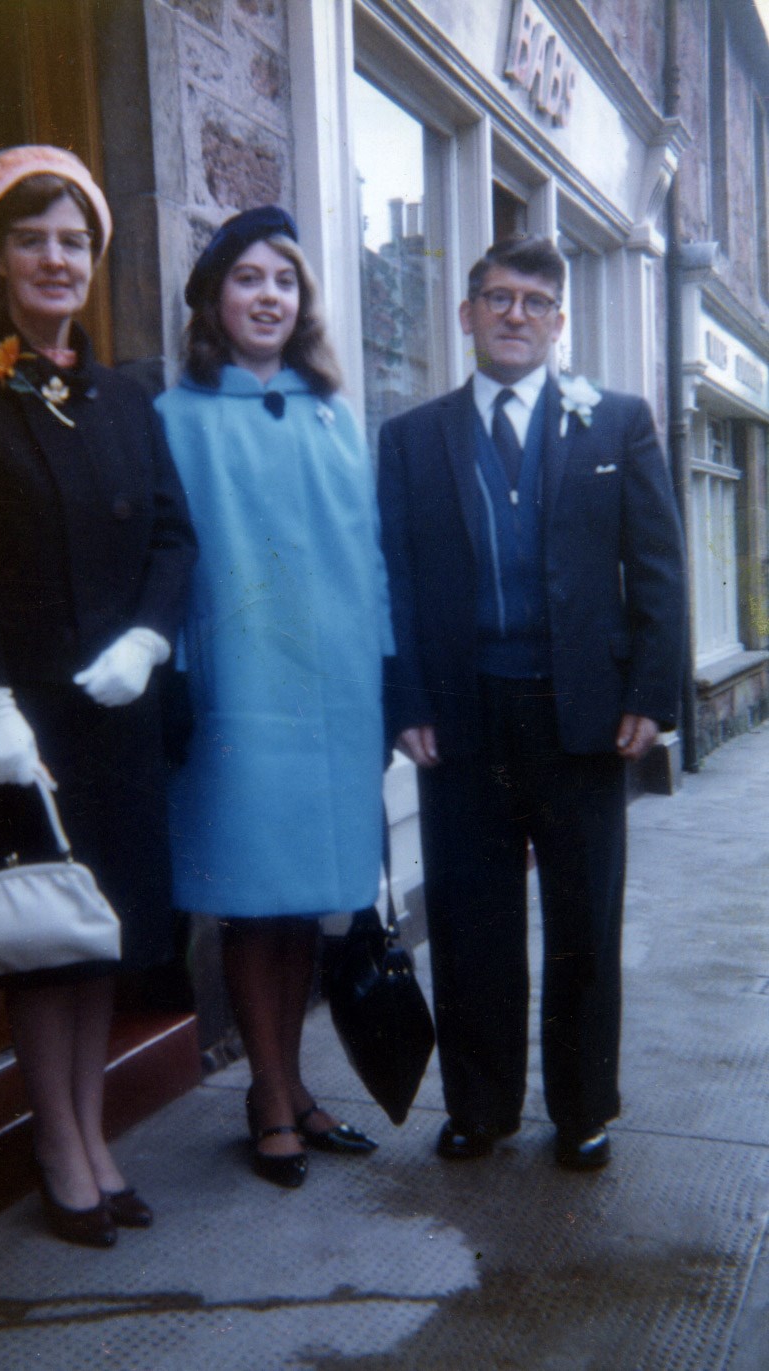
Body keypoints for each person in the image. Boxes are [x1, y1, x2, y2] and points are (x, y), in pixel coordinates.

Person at [0, 146, 197, 1245]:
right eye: (30, 238)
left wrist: (149, 640)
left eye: (72, 240)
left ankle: (87, 1129)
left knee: (98, 930)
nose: (54, 259)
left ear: (95, 259)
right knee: (41, 940)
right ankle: (57, 1142)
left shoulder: (126, 395)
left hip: (114, 711)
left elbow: (175, 536)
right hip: (22, 721)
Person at [378, 235, 685, 1171]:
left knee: (584, 920)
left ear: (559, 322)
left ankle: (584, 1106)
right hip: (464, 719)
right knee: (473, 921)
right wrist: (408, 700)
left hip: (581, 716)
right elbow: (391, 581)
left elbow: (660, 570)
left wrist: (651, 694)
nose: (516, 316)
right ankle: (480, 1106)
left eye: (535, 302)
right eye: (497, 298)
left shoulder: (616, 423)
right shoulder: (410, 438)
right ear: (465, 315)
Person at [156, 206, 394, 1187]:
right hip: (238, 691)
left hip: (334, 694)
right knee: (254, 903)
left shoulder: (338, 417)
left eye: (283, 281)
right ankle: (266, 1093)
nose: (267, 296)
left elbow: (369, 557)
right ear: (215, 301)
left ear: (302, 302)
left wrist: (384, 664)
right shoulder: (176, 419)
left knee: (304, 904)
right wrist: (175, 672)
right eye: (247, 279)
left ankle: (292, 1087)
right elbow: (165, 560)